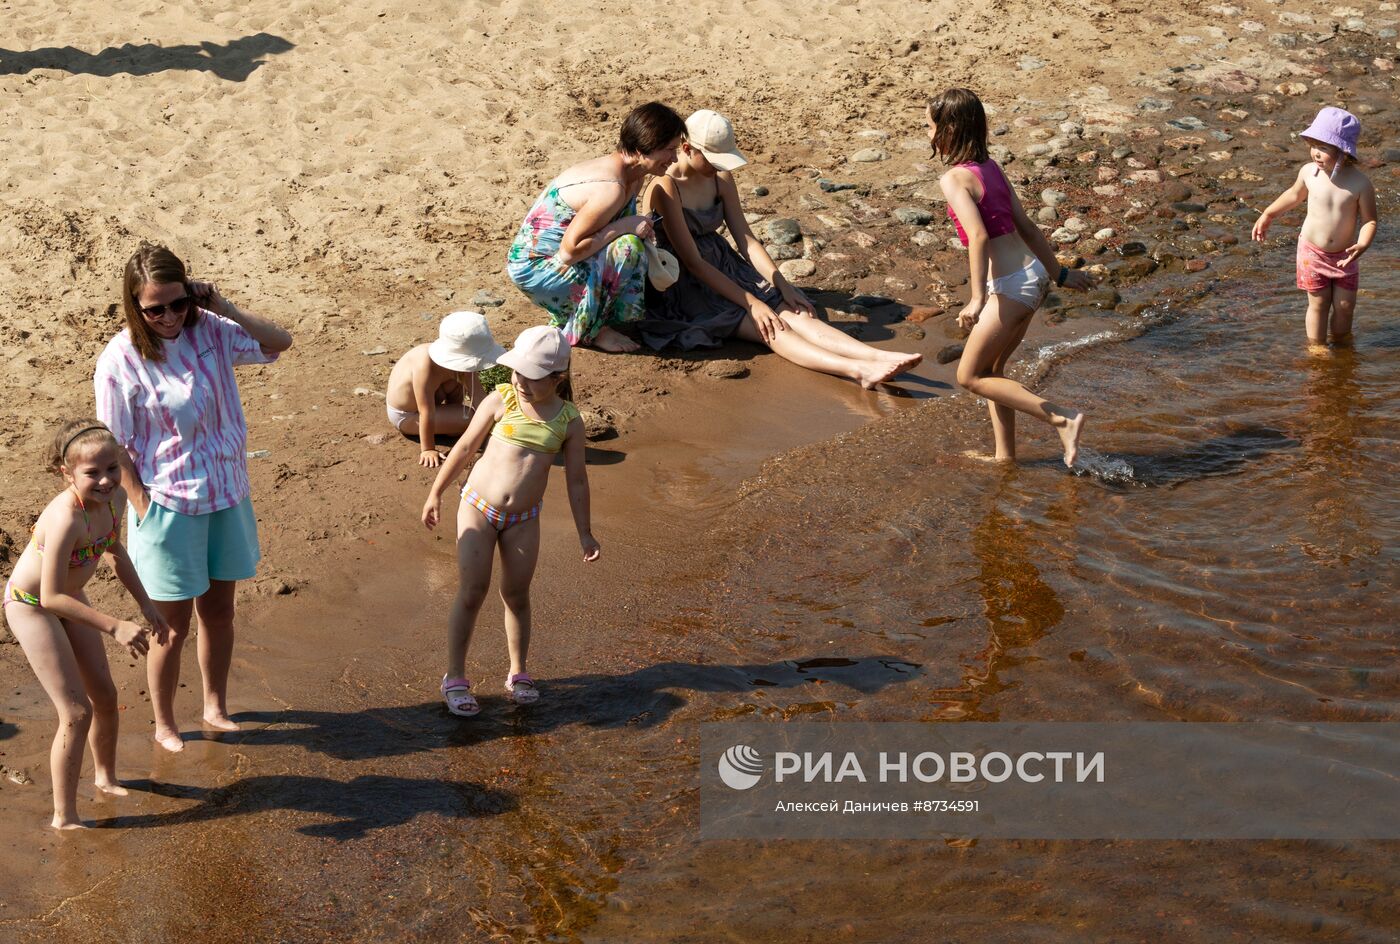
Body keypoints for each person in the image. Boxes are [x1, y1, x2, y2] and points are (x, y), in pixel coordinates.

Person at [94, 243, 293, 752]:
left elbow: (278, 342)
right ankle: (163, 722)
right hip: (168, 506)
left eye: (178, 303)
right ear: (135, 307)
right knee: (169, 625)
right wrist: (140, 504)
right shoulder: (120, 359)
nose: (169, 316)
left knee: (220, 613)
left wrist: (221, 305)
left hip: (227, 494)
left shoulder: (210, 329)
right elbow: (115, 443)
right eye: (155, 308)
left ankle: (214, 706)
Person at [640, 109, 922, 387]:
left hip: (723, 263)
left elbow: (746, 240)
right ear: (687, 149)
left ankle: (877, 356)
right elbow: (693, 263)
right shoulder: (666, 186)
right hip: (686, 283)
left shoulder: (721, 177)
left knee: (791, 310)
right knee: (770, 326)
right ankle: (857, 370)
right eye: (714, 160)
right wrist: (752, 303)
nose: (719, 167)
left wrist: (781, 284)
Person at [422, 326, 599, 716]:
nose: (519, 381)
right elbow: (466, 447)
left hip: (523, 518)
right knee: (472, 591)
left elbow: (577, 480)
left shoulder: (569, 421)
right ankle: (455, 677)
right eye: (517, 372)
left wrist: (584, 532)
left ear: (558, 378)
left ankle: (518, 672)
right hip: (477, 508)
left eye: (531, 377)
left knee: (516, 595)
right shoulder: (501, 399)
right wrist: (435, 493)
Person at [3, 421, 169, 828]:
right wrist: (115, 625)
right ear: (68, 472)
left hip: (70, 597)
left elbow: (115, 552)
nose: (105, 480)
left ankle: (106, 778)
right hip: (32, 605)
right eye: (91, 473)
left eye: (111, 468)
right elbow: (49, 596)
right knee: (76, 712)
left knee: (106, 697)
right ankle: (65, 817)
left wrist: (147, 606)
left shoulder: (114, 503)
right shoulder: (64, 518)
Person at [929, 88, 1093, 467]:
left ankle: (1062, 417)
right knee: (994, 373)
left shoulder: (953, 179)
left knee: (969, 376)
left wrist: (977, 300)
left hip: (1010, 287)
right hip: (1032, 277)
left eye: (930, 125)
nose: (928, 133)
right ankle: (1005, 457)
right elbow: (1029, 227)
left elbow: (979, 237)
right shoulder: (990, 168)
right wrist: (1059, 273)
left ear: (948, 129)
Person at [507, 101, 687, 353]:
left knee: (632, 245)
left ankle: (591, 315)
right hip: (535, 268)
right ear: (644, 147)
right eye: (669, 150)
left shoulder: (633, 176)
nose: (675, 158)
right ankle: (589, 330)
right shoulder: (610, 187)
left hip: (555, 262)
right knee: (628, 248)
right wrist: (626, 225)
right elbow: (569, 252)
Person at [1251, 106, 1378, 346]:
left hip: (1345, 256)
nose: (1316, 154)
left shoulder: (1360, 184)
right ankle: (1316, 347)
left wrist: (1363, 243)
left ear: (1344, 151)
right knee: (1318, 303)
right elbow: (1293, 195)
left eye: (1324, 148)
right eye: (1314, 146)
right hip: (1312, 252)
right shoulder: (1309, 173)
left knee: (1345, 305)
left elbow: (1370, 219)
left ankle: (1341, 345)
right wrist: (1268, 214)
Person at [386, 311, 507, 467]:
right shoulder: (425, 365)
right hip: (407, 415)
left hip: (434, 400)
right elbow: (426, 412)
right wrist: (428, 449)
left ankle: (452, 420)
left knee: (462, 390)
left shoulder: (461, 361)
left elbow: (480, 397)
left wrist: (501, 419)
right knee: (469, 417)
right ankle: (452, 423)